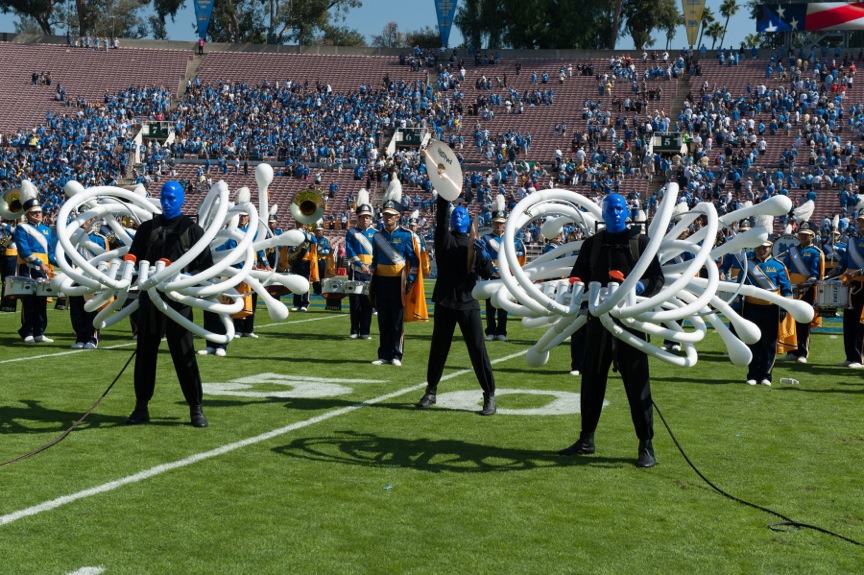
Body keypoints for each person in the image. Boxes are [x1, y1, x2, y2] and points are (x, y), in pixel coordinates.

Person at [558, 194, 664, 467]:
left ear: (627, 211)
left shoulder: (640, 243)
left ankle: (646, 445)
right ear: (603, 213)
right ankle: (586, 438)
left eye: (620, 208)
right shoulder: (593, 244)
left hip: (630, 323)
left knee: (637, 384)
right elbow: (579, 274)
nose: (615, 212)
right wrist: (574, 285)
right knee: (591, 381)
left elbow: (657, 278)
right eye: (610, 209)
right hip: (597, 322)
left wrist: (640, 287)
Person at [125, 181, 214, 428]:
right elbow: (132, 260)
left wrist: (183, 280)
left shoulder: (192, 230)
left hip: (178, 301)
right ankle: (141, 406)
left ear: (183, 200)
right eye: (164, 197)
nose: (167, 202)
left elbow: (205, 267)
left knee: (184, 353)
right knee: (144, 354)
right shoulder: (147, 228)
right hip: (149, 301)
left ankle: (196, 408)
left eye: (172, 198)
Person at [417, 197, 497, 414]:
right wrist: (444, 194)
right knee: (438, 350)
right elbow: (441, 218)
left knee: (478, 350)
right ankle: (431, 391)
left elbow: (488, 273)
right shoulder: (445, 240)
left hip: (468, 303)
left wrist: (483, 254)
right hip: (444, 302)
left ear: (470, 220)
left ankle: (489, 395)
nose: (457, 215)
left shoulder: (476, 242)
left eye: (462, 213)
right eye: (455, 213)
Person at [369, 194, 418, 366]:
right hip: (381, 282)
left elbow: (414, 260)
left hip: (399, 282)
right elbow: (375, 259)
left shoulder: (406, 235)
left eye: (391, 214)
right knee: (383, 319)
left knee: (397, 320)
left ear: (398, 216)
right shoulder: (377, 236)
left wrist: (410, 279)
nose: (387, 217)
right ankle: (384, 354)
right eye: (385, 214)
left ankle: (396, 354)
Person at [740, 238, 792, 385]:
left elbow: (787, 290)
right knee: (752, 342)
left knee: (768, 344)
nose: (762, 250)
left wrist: (783, 308)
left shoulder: (779, 265)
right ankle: (752, 375)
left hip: (771, 309)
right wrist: (738, 309)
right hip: (751, 308)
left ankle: (766, 375)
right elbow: (739, 287)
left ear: (770, 248)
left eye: (765, 248)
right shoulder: (747, 264)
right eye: (759, 248)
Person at [13, 192, 57, 343]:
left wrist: (64, 263)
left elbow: (50, 253)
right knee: (29, 301)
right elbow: (24, 251)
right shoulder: (22, 228)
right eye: (34, 212)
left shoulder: (47, 229)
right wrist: (41, 264)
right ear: (28, 214)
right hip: (28, 268)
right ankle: (26, 331)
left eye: (39, 212)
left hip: (43, 269)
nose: (38, 214)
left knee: (41, 301)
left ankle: (39, 332)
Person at [780, 223, 823, 363]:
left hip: (806, 291)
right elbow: (785, 268)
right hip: (792, 289)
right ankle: (791, 351)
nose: (803, 237)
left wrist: (805, 284)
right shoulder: (792, 250)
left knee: (804, 322)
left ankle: (802, 353)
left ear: (812, 236)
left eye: (806, 234)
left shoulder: (816, 252)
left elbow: (814, 274)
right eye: (801, 234)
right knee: (790, 321)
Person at [826, 210, 864, 368]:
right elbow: (846, 260)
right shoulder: (851, 241)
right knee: (848, 322)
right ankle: (850, 357)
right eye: (860, 221)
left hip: (862, 284)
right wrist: (837, 269)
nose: (862, 224)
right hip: (851, 285)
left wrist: (859, 272)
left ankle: (858, 358)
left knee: (860, 322)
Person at [69, 220, 107, 349]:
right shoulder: (71, 237)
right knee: (76, 310)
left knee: (92, 310)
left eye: (87, 220)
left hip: (92, 279)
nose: (84, 222)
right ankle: (80, 337)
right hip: (75, 278)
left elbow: (106, 260)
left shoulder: (100, 238)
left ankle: (92, 338)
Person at [344, 194, 375, 339]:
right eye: (362, 217)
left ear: (371, 218)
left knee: (368, 302)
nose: (365, 219)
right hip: (356, 271)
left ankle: (365, 331)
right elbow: (350, 250)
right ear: (358, 218)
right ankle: (354, 330)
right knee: (355, 302)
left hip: (371, 272)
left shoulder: (376, 233)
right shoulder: (351, 232)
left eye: (367, 217)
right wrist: (360, 264)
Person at [482, 199, 512, 341]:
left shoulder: (510, 238)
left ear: (505, 223)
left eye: (501, 223)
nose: (499, 225)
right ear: (492, 223)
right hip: (491, 275)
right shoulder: (486, 238)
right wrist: (495, 269)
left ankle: (502, 331)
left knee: (503, 304)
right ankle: (490, 331)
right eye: (496, 222)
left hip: (505, 276)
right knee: (490, 306)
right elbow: (486, 257)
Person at [312, 222, 332, 296]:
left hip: (322, 260)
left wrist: (321, 251)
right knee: (315, 275)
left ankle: (323, 290)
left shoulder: (325, 240)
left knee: (322, 276)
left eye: (319, 230)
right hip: (314, 260)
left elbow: (329, 250)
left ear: (322, 231)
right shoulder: (313, 239)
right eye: (317, 230)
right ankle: (316, 290)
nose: (318, 232)